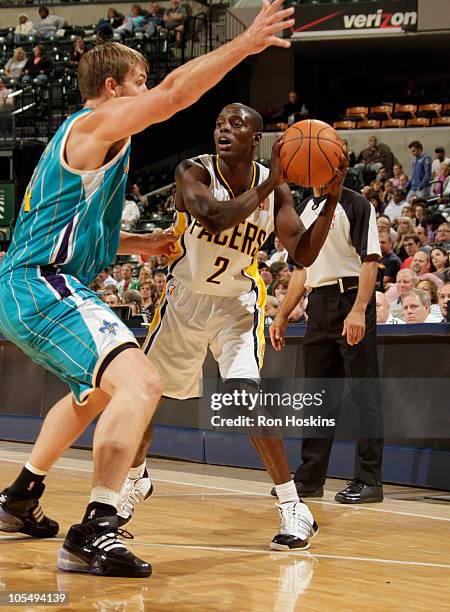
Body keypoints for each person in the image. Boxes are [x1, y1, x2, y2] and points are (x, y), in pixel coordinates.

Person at [0, 0, 297, 576]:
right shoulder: (95, 123)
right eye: (141, 82)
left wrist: (142, 244)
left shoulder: (87, 145)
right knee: (144, 381)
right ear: (113, 88)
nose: (150, 90)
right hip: (40, 286)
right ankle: (97, 527)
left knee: (100, 393)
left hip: (31, 283)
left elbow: (71, 233)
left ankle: (20, 495)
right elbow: (176, 96)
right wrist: (245, 45)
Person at [118, 102, 348, 551]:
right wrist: (272, 184)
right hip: (184, 302)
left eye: (237, 123)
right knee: (144, 401)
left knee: (249, 402)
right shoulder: (193, 172)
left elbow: (301, 254)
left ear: (256, 139)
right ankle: (134, 478)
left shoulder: (275, 189)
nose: (225, 129)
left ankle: (293, 507)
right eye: (220, 123)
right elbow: (215, 217)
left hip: (237, 308)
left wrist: (331, 200)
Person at [269, 178, 383, 504]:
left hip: (351, 299)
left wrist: (359, 309)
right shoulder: (304, 209)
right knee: (317, 397)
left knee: (365, 395)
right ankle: (310, 477)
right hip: (318, 304)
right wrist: (281, 315)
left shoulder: (356, 203)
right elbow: (302, 269)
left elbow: (369, 260)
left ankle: (369, 480)